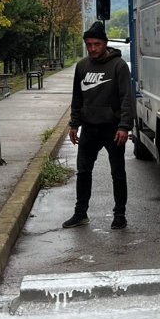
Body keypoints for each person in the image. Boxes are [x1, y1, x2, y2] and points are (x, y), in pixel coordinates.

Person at [63, 21, 135, 229]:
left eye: (96, 44)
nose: (93, 48)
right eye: (89, 44)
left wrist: (124, 126)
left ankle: (119, 215)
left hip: (113, 129)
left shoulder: (118, 66)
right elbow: (77, 98)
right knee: (83, 171)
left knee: (117, 172)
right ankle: (80, 213)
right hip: (89, 128)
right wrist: (74, 124)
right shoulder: (82, 66)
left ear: (105, 43)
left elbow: (126, 99)